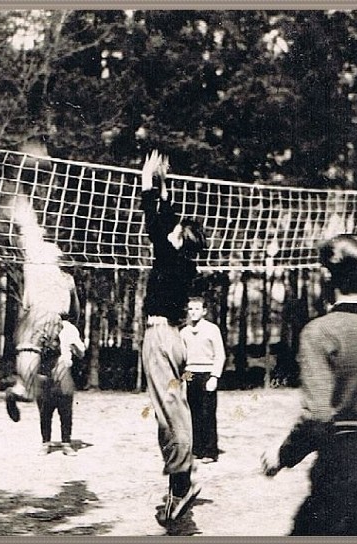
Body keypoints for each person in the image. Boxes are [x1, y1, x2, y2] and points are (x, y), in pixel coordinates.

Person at [261, 234, 357, 536]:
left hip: (346, 469)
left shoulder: (320, 332)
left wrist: (283, 454)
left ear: (327, 278)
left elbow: (318, 415)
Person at [139, 149, 207, 526]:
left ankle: (181, 485)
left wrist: (149, 181)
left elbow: (155, 222)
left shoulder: (172, 256)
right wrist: (164, 185)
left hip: (162, 337)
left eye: (179, 230)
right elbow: (165, 221)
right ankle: (181, 479)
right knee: (169, 411)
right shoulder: (180, 258)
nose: (174, 228)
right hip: (170, 337)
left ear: (182, 241)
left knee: (171, 412)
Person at [5, 197, 79, 422]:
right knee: (32, 387)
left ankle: (21, 390)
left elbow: (74, 309)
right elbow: (29, 227)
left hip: (53, 324)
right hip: (40, 318)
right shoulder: (38, 257)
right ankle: (19, 392)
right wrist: (19, 198)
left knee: (51, 382)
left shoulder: (64, 277)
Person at [180, 296, 226, 463]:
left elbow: (220, 355)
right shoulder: (184, 332)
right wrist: (184, 379)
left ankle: (210, 451)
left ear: (204, 311)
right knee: (193, 413)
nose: (193, 312)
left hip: (207, 373)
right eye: (191, 309)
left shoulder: (212, 329)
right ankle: (197, 449)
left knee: (208, 414)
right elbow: (183, 360)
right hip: (191, 373)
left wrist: (214, 376)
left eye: (197, 309)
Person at [37, 319, 86, 456]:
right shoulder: (40, 325)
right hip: (44, 370)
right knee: (45, 410)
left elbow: (81, 352)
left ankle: (66, 443)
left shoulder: (69, 329)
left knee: (65, 410)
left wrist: (74, 347)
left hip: (63, 369)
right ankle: (45, 442)